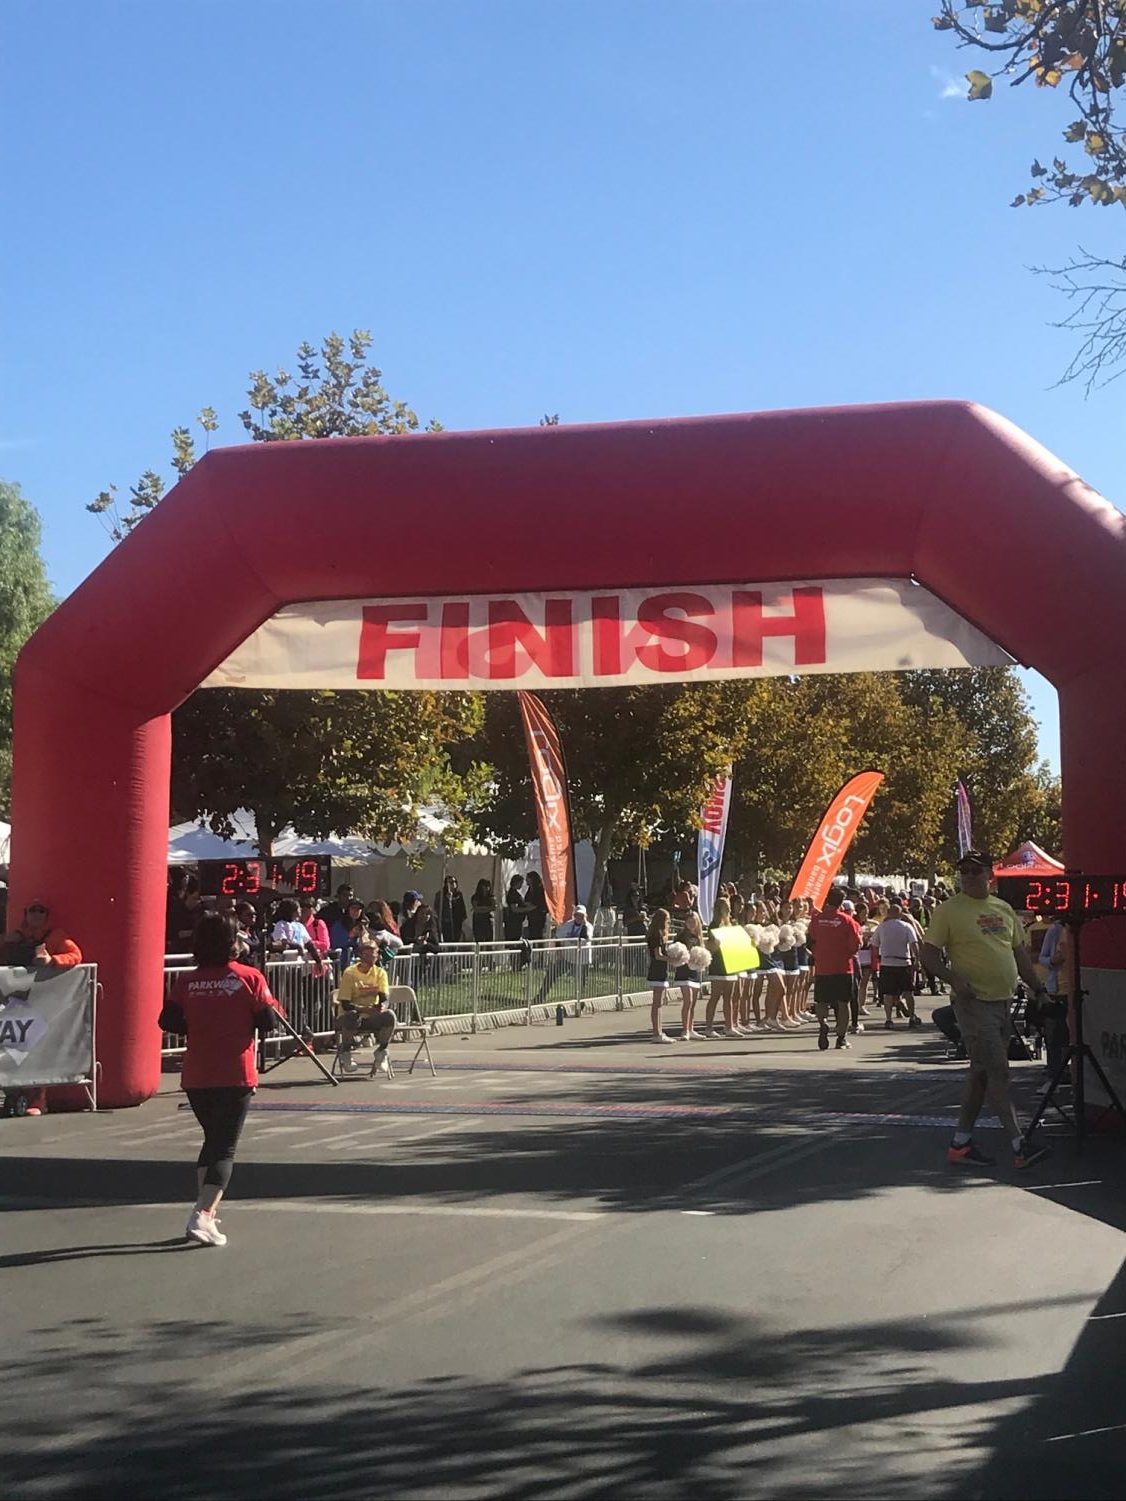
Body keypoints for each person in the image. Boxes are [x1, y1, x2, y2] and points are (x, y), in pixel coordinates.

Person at [920, 849, 1051, 1170]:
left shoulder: (1003, 909)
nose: (968, 876)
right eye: (963, 871)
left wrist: (1039, 990)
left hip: (1002, 1003)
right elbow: (928, 955)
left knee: (980, 1074)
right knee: (998, 1072)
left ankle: (960, 1143)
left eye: (975, 871)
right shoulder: (948, 911)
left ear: (989, 876)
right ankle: (1020, 1145)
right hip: (973, 1005)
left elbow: (1020, 956)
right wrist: (953, 978)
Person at [158, 912, 281, 1247]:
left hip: (197, 1073)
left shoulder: (188, 981)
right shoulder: (249, 977)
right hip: (235, 1073)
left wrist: (201, 1024)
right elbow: (268, 1022)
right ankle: (203, 1215)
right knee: (225, 1147)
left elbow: (167, 1020)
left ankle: (207, 1207)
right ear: (232, 942)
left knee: (212, 1140)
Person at [808, 888, 861, 1051]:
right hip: (843, 967)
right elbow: (856, 945)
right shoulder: (847, 920)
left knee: (822, 1001)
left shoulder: (817, 919)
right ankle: (841, 1038)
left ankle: (823, 1023)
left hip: (823, 967)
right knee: (843, 1003)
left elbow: (810, 940)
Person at [335, 940, 396, 1074]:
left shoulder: (380, 973)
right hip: (351, 1015)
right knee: (351, 1016)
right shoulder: (350, 973)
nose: (370, 958)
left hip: (371, 1015)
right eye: (366, 955)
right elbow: (345, 1004)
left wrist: (382, 1007)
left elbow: (384, 998)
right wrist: (363, 1009)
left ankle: (382, 1051)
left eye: (372, 955)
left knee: (389, 1016)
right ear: (361, 956)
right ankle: (346, 1051)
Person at [871, 900, 922, 1030]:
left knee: (888, 994)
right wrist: (917, 959)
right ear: (900, 914)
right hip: (904, 962)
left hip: (887, 963)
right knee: (908, 991)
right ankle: (912, 1016)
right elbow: (914, 944)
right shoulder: (906, 926)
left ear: (888, 913)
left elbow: (875, 945)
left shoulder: (881, 927)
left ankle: (889, 1019)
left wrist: (876, 961)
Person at [647, 908, 673, 1043]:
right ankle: (656, 1033)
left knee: (659, 1003)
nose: (669, 922)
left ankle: (659, 1031)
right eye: (667, 920)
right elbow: (658, 955)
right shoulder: (656, 935)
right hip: (657, 970)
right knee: (657, 1003)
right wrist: (672, 959)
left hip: (660, 970)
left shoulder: (658, 934)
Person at [435, 875, 467, 943]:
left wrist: (462, 917)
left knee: (456, 939)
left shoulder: (458, 894)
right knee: (447, 939)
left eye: (455, 882)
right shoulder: (440, 894)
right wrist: (447, 899)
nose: (453, 884)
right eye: (451, 882)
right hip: (446, 921)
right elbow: (437, 907)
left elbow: (462, 907)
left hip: (457, 921)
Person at [471, 879, 497, 945]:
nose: (487, 888)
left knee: (489, 941)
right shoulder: (475, 897)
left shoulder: (491, 897)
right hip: (478, 920)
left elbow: (494, 907)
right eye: (485, 886)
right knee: (479, 941)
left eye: (488, 886)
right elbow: (476, 909)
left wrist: (482, 908)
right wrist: (487, 908)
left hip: (488, 920)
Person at [524, 871, 549, 941]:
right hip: (531, 916)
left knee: (538, 935)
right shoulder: (529, 889)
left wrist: (533, 906)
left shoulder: (540, 889)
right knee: (531, 934)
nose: (526, 880)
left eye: (527, 879)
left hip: (539, 916)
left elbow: (540, 903)